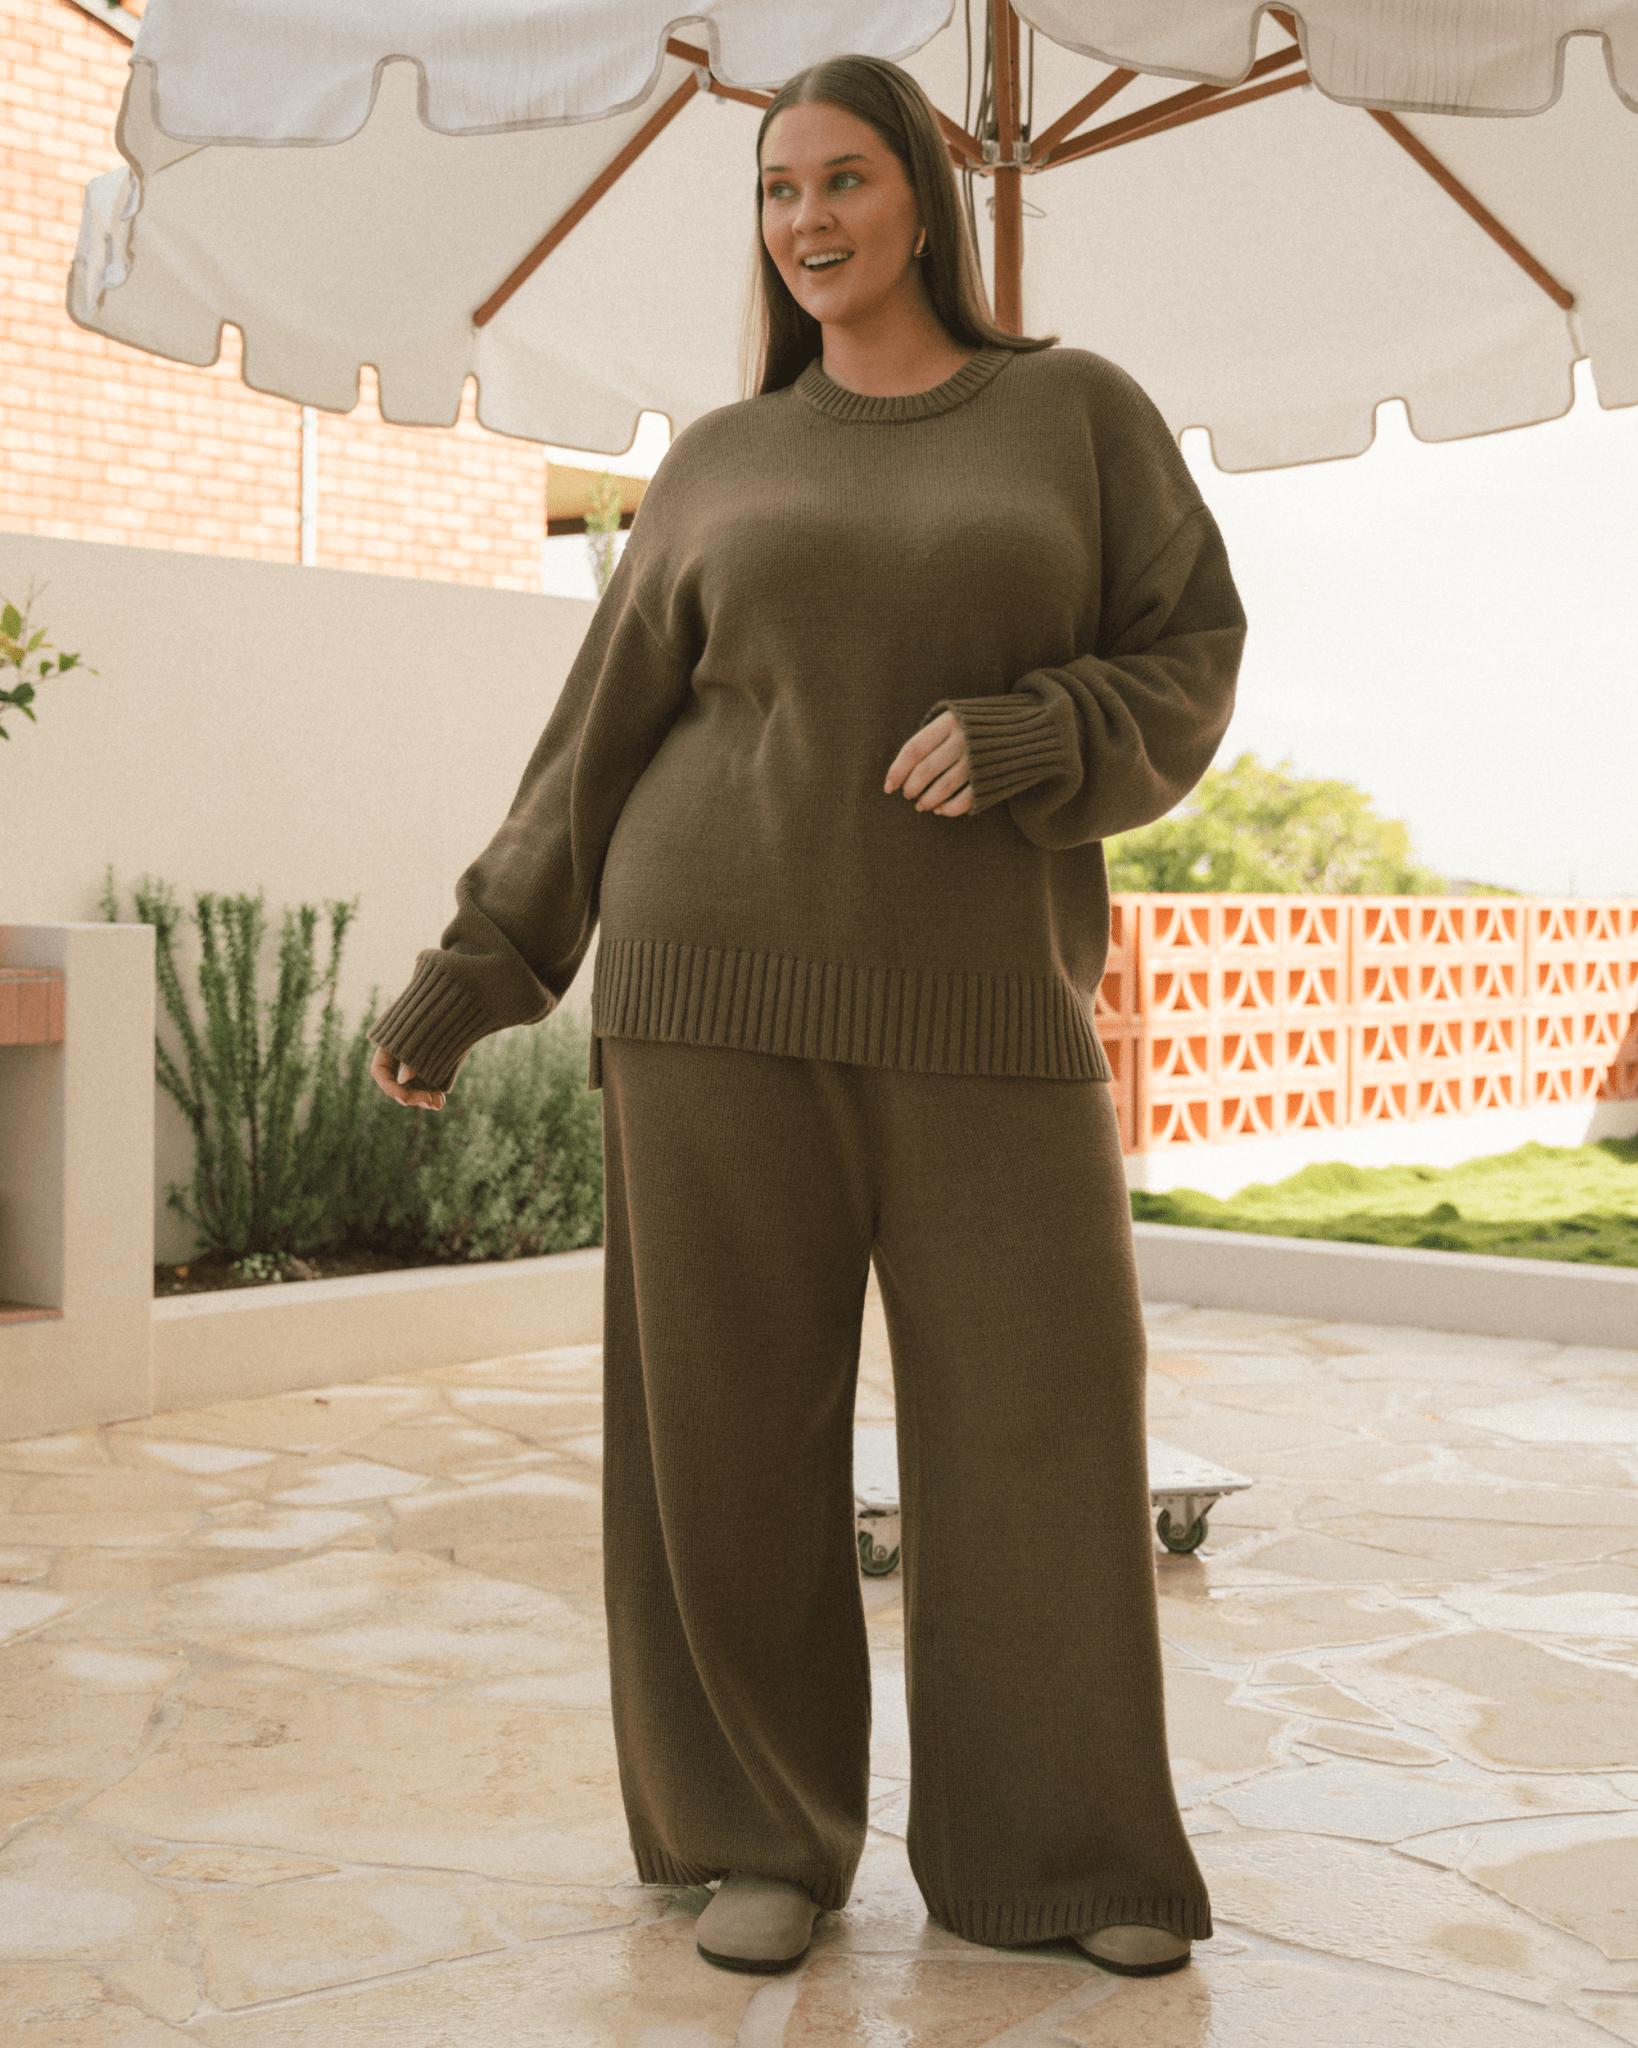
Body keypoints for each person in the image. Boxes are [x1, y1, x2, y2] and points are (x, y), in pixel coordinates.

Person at [369, 52, 1245, 1984]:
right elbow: (598, 734)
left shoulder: (1074, 416)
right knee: (724, 1436)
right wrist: (480, 968)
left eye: (842, 179)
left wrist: (1043, 731)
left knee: (1040, 1425)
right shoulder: (720, 457)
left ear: (922, 195)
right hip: (705, 992)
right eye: (777, 190)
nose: (807, 219)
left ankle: (1067, 1848)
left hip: (986, 1005)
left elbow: (1191, 650)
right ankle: (752, 1837)